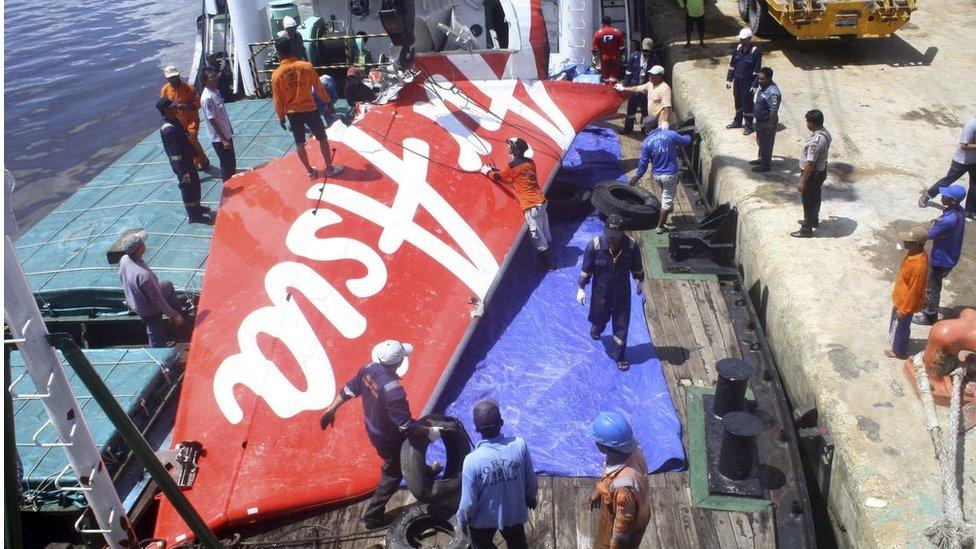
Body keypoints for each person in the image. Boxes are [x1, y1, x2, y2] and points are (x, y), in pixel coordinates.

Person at [318, 340, 439, 529]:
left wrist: (331, 410)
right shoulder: (393, 391)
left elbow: (349, 390)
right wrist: (430, 431)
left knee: (412, 447)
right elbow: (405, 426)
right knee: (393, 472)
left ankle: (424, 472)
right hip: (388, 436)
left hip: (374, 428)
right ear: (398, 363)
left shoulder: (368, 369)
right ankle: (372, 516)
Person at [457, 399, 538, 549]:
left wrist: (462, 520)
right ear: (501, 422)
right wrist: (530, 496)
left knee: (481, 544)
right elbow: (531, 482)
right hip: (513, 514)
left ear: (477, 430)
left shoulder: (471, 460)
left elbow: (468, 503)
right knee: (517, 543)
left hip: (483, 520)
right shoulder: (519, 445)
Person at [577, 215, 645, 371]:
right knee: (599, 315)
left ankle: (620, 355)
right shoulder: (594, 246)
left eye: (616, 237)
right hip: (601, 291)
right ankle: (597, 327)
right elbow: (586, 270)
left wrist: (640, 281)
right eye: (610, 236)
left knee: (622, 323)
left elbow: (637, 267)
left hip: (622, 292)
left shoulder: (631, 246)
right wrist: (581, 288)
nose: (612, 240)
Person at [271, 36, 343, 179]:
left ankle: (310, 171)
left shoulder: (276, 75)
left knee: (300, 143)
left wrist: (281, 117)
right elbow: (318, 87)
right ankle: (329, 168)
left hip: (293, 113)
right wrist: (328, 102)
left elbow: (278, 99)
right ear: (291, 49)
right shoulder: (306, 66)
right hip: (310, 109)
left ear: (278, 53)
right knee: (322, 138)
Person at [482, 137, 554, 269]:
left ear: (515, 150)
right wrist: (497, 170)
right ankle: (548, 254)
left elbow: (499, 177)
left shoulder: (511, 166)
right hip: (541, 202)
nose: (508, 148)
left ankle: (548, 265)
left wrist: (487, 172)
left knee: (537, 237)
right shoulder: (531, 163)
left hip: (531, 206)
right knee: (545, 231)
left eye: (510, 146)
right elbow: (518, 177)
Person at [587, 411, 651, 549]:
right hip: (627, 506)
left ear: (606, 447)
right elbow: (611, 471)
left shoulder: (623, 488)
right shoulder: (628, 450)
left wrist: (615, 545)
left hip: (628, 524)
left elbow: (624, 522)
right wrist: (599, 491)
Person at [118, 230, 186, 348]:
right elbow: (157, 300)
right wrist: (173, 315)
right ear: (140, 248)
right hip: (147, 309)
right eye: (142, 243)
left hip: (135, 298)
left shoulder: (124, 259)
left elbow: (121, 277)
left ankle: (178, 320)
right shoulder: (144, 276)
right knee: (155, 332)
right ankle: (161, 359)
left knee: (167, 285)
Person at [913, 185, 967, 326]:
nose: (941, 197)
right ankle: (927, 306)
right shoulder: (958, 211)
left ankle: (929, 316)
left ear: (953, 201)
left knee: (933, 287)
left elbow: (929, 234)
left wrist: (933, 224)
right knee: (932, 284)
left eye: (945, 196)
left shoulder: (949, 220)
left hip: (941, 259)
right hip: (951, 254)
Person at [629, 120, 692, 233]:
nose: (644, 130)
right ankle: (660, 226)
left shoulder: (646, 142)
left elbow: (643, 163)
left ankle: (667, 205)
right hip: (669, 175)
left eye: (645, 128)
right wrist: (690, 134)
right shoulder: (670, 134)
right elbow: (686, 141)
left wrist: (637, 177)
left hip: (657, 176)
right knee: (667, 201)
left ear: (648, 129)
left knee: (667, 191)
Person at [157, 97, 213, 223]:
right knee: (188, 188)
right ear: (167, 110)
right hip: (182, 165)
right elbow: (175, 154)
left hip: (188, 160)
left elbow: (185, 138)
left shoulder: (175, 121)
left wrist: (194, 151)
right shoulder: (168, 130)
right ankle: (193, 215)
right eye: (173, 106)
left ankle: (197, 207)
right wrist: (183, 172)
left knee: (195, 184)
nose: (176, 106)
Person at [918, 114, 976, 218]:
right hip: (962, 161)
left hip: (974, 160)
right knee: (947, 181)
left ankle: (970, 211)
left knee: (974, 184)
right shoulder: (971, 125)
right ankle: (928, 195)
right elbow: (963, 145)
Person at [885, 227, 928, 359]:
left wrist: (904, 310)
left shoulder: (919, 265)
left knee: (902, 327)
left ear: (918, 244)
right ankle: (894, 342)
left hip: (906, 303)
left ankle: (899, 351)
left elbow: (914, 291)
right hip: (900, 298)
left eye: (908, 241)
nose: (905, 242)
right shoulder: (913, 254)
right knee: (896, 324)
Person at [160, 65, 211, 170]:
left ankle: (201, 161)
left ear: (178, 75)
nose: (173, 79)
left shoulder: (189, 88)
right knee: (183, 144)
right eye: (171, 77)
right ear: (167, 78)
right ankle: (198, 161)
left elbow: (197, 104)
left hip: (191, 120)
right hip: (177, 122)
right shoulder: (165, 90)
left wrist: (184, 106)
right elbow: (163, 106)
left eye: (175, 76)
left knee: (191, 139)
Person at [791, 109, 832, 238]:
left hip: (812, 174)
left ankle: (806, 229)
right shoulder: (824, 132)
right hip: (820, 172)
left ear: (813, 123)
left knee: (808, 201)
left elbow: (810, 164)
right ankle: (813, 220)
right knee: (815, 197)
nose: (806, 124)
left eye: (808, 122)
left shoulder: (816, 141)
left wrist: (802, 181)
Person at [200, 69, 236, 181]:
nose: (215, 78)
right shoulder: (207, 98)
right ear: (204, 81)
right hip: (220, 138)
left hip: (226, 133)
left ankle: (234, 182)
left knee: (231, 163)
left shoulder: (216, 91)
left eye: (215, 76)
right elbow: (212, 120)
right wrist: (223, 139)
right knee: (226, 166)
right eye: (211, 77)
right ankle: (229, 189)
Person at [617, 66, 677, 130]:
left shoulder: (664, 88)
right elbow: (637, 88)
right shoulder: (650, 84)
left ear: (660, 76)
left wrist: (665, 123)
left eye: (654, 75)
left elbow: (667, 107)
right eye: (650, 74)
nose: (651, 76)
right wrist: (623, 88)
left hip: (666, 123)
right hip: (656, 120)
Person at [725, 29, 762, 135]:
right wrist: (729, 79)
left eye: (744, 39)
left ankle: (749, 126)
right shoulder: (737, 49)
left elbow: (757, 70)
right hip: (737, 81)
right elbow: (732, 65)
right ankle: (737, 122)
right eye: (741, 38)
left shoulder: (755, 51)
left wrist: (755, 85)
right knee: (738, 101)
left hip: (748, 82)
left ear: (749, 39)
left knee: (748, 104)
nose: (741, 40)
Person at [621, 38, 659, 134]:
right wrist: (625, 87)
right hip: (634, 88)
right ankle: (628, 130)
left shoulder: (655, 59)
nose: (645, 53)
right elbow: (628, 73)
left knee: (645, 113)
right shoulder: (634, 57)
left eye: (647, 51)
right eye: (644, 51)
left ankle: (644, 132)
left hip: (646, 90)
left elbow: (657, 77)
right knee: (630, 111)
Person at [750, 67, 781, 173]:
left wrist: (771, 126)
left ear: (769, 79)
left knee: (767, 144)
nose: (759, 80)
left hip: (767, 122)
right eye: (759, 78)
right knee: (760, 142)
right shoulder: (763, 87)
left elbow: (773, 111)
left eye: (762, 79)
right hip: (760, 121)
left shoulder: (773, 92)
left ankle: (765, 165)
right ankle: (761, 159)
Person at [591, 16, 624, 83]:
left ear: (602, 23)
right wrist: (622, 57)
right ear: (610, 22)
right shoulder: (617, 32)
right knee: (614, 78)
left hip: (604, 59)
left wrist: (595, 59)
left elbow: (594, 49)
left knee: (606, 79)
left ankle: (606, 91)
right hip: (615, 58)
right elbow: (622, 48)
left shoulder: (598, 33)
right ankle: (613, 91)